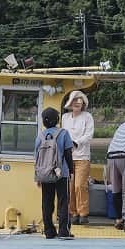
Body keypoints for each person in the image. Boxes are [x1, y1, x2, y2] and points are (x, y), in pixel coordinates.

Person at [35, 106, 75, 239]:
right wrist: (71, 171)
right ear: (57, 120)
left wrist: (38, 176)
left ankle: (49, 231)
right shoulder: (63, 133)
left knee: (46, 202)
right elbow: (68, 154)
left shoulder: (40, 136)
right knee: (63, 201)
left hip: (45, 173)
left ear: (44, 122)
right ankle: (64, 231)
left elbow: (37, 157)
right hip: (61, 173)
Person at [61, 89, 94, 225]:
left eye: (80, 100)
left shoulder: (87, 116)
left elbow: (89, 135)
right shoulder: (65, 117)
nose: (78, 102)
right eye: (75, 99)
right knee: (70, 186)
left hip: (83, 156)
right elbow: (63, 134)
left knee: (80, 185)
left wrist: (77, 142)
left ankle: (83, 213)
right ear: (70, 102)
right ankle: (73, 212)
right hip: (68, 156)